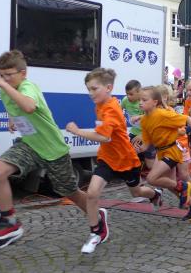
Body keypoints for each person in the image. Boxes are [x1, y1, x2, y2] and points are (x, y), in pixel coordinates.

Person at [0, 51, 89, 249]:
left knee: (69, 192)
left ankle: (96, 215)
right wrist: (12, 119)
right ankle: (10, 223)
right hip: (30, 145)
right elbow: (14, 108)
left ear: (23, 73)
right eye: (1, 75)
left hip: (52, 149)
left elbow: (29, 106)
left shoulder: (28, 86)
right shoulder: (5, 90)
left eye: (9, 75)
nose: (5, 79)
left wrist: (3, 85)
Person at [66, 68, 160, 254]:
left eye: (94, 89)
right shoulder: (100, 104)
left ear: (108, 88)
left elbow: (104, 137)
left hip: (126, 160)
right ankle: (97, 232)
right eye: (89, 89)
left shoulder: (111, 109)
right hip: (107, 159)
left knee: (136, 192)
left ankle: (154, 195)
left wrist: (77, 131)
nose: (91, 93)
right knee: (92, 193)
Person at [133, 85, 191, 220]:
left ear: (155, 102)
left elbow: (187, 119)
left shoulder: (162, 114)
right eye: (139, 100)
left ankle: (183, 186)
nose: (140, 102)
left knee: (152, 178)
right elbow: (147, 143)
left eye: (144, 100)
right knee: (170, 184)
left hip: (171, 151)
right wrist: (139, 149)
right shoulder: (145, 120)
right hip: (161, 152)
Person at [122, 80, 156, 171]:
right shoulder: (125, 100)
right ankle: (137, 177)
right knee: (130, 157)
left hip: (148, 134)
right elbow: (118, 111)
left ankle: (159, 174)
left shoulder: (144, 102)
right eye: (127, 94)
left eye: (131, 94)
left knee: (150, 164)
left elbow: (153, 117)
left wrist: (143, 135)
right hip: (134, 132)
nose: (128, 96)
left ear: (139, 92)